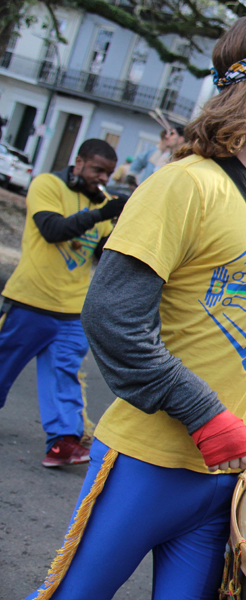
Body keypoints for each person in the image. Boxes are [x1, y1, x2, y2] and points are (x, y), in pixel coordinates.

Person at [27, 16, 246, 599]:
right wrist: (202, 412)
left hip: (229, 472)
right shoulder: (184, 185)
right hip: (148, 461)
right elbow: (111, 317)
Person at [0, 138, 123, 467]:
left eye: (108, 174)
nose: (102, 178)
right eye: (97, 170)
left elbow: (102, 256)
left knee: (65, 374)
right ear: (78, 162)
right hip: (30, 301)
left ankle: (63, 442)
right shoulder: (47, 185)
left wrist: (123, 226)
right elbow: (52, 230)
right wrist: (100, 213)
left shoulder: (104, 203)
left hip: (71, 310)